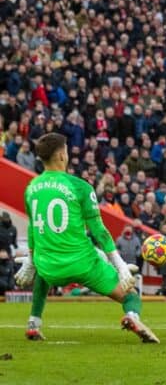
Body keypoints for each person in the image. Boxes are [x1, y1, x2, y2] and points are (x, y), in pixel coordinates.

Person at [14, 133, 158, 342]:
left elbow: (33, 229)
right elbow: (99, 231)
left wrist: (30, 261)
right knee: (130, 294)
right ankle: (132, 316)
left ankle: (33, 324)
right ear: (62, 155)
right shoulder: (80, 187)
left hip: (49, 266)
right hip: (84, 264)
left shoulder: (31, 189)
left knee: (43, 270)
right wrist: (120, 265)